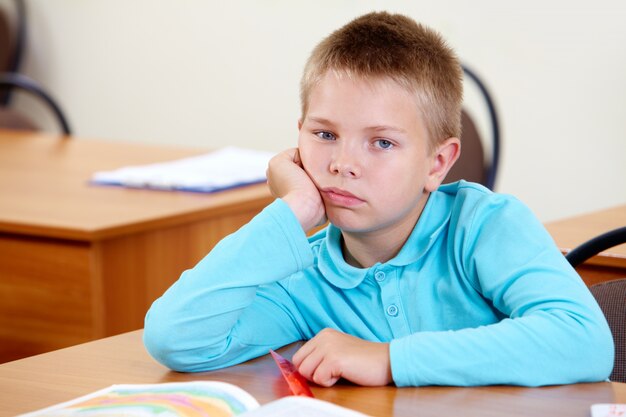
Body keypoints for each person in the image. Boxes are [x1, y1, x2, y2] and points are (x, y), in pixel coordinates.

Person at [143, 11, 613, 387]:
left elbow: (583, 342)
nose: (343, 163)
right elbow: (177, 339)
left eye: (381, 142)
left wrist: (389, 360)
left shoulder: (484, 227)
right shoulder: (304, 278)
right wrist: (293, 211)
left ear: (437, 163)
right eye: (324, 134)